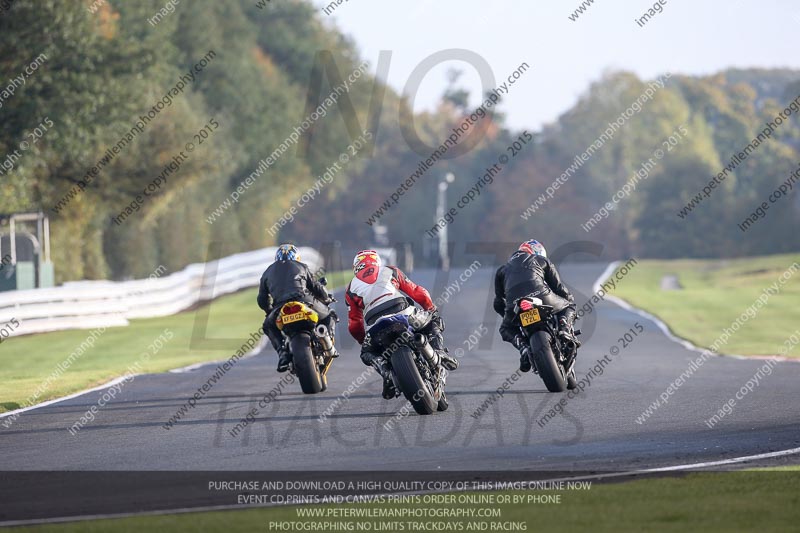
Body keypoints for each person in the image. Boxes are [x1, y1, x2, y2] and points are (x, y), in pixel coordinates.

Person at [345, 250, 458, 399]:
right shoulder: (390, 271)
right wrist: (431, 309)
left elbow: (355, 323)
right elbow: (418, 292)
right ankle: (439, 351)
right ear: (376, 262)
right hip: (403, 312)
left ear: (356, 267)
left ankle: (386, 372)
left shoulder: (350, 288)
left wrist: (363, 340)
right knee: (433, 320)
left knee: (366, 353)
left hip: (375, 324)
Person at [494, 240, 579, 372]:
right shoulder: (541, 260)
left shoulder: (502, 270)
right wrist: (569, 299)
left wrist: (507, 317)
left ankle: (523, 348)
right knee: (569, 306)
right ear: (538, 252)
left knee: (505, 329)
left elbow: (498, 302)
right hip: (542, 297)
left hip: (515, 305)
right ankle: (564, 329)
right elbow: (559, 288)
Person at [257, 244, 336, 372]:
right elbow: (316, 287)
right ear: (296, 257)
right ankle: (326, 340)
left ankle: (282, 353)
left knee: (268, 326)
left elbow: (262, 299)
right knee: (329, 315)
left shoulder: (267, 272)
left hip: (280, 306)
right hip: (304, 301)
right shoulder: (302, 266)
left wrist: (268, 310)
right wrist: (326, 298)